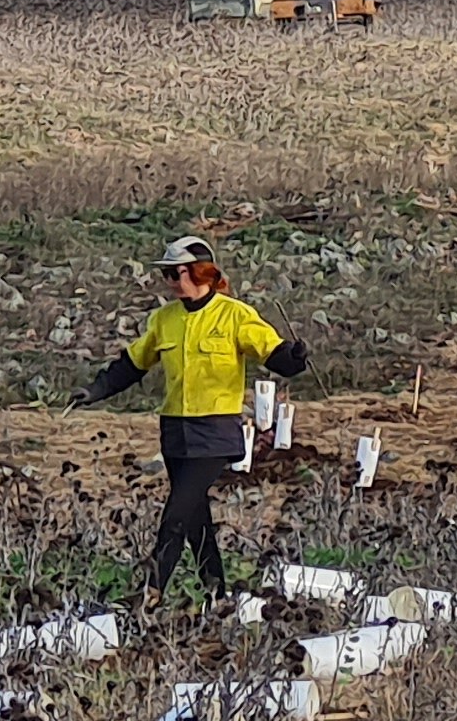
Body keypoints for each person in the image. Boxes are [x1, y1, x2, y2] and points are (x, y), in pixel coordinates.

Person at [79, 233, 306, 603]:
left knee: (175, 517)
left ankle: (148, 595)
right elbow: (132, 364)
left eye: (174, 273)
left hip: (215, 433)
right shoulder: (164, 319)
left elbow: (273, 352)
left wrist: (293, 358)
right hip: (175, 433)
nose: (168, 281)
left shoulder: (235, 315)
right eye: (166, 274)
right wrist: (95, 390)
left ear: (199, 272)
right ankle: (217, 597)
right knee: (196, 521)